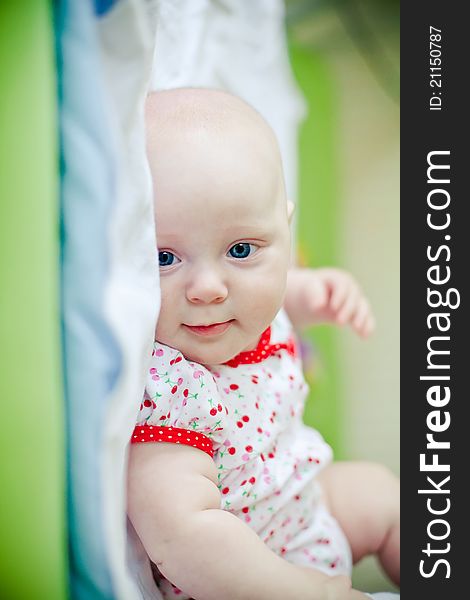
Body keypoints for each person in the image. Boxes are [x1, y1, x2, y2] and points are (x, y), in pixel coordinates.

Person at [127, 88, 399, 600]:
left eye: (240, 248)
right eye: (164, 258)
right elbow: (184, 536)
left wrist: (313, 292)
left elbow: (275, 293)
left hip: (307, 508)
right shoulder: (169, 391)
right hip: (251, 577)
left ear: (285, 233)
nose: (208, 287)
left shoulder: (250, 308)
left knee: (384, 493)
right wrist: (306, 592)